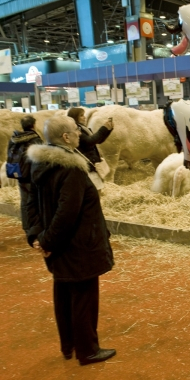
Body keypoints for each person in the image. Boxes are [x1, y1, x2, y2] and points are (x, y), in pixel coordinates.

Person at [26, 115, 116, 366]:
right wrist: (48, 241)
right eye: (77, 131)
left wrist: (37, 236)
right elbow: (67, 212)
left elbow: (30, 203)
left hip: (59, 248)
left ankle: (69, 345)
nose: (80, 134)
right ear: (66, 137)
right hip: (79, 246)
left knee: (64, 294)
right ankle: (88, 350)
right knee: (84, 298)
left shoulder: (38, 164)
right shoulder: (71, 169)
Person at [6, 115, 42, 232]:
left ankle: (27, 227)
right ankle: (36, 227)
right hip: (32, 176)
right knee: (35, 202)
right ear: (33, 125)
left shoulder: (14, 139)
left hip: (19, 174)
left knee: (24, 202)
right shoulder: (35, 139)